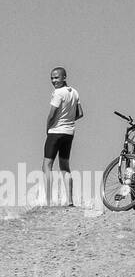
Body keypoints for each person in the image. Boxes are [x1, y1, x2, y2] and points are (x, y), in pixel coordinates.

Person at [43, 67, 83, 207]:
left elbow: (52, 114)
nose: (54, 81)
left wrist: (48, 127)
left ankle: (48, 201)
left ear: (64, 77)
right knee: (65, 166)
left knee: (47, 165)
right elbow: (80, 113)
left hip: (55, 132)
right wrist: (68, 119)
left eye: (56, 78)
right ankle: (70, 201)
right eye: (52, 78)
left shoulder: (58, 93)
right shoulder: (74, 92)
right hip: (69, 132)